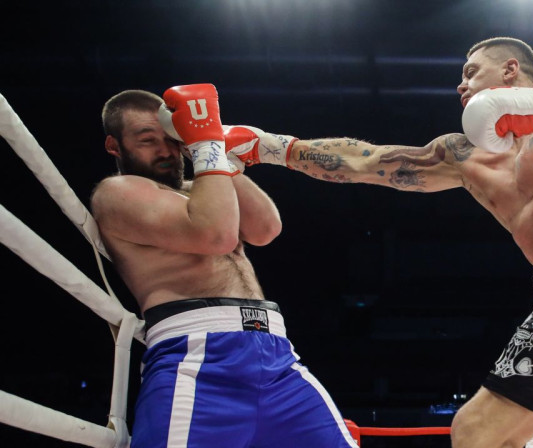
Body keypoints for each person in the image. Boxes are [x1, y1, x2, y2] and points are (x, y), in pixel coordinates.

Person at [222, 37, 533, 447]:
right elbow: (366, 162)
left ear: (510, 70)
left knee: (477, 432)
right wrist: (268, 146)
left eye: (471, 71)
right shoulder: (463, 156)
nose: (460, 83)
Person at [91, 85, 358, 448]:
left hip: (276, 353)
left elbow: (266, 229)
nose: (166, 150)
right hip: (197, 358)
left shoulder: (200, 188)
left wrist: (211, 144)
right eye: (146, 140)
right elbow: (215, 236)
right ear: (114, 146)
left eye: (170, 137)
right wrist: (206, 149)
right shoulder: (118, 192)